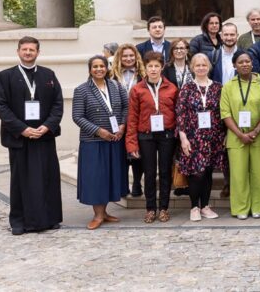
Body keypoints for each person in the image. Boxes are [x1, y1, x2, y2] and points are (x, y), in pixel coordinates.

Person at [0, 36, 64, 235]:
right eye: (24, 49)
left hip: (44, 136)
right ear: (18, 51)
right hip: (19, 138)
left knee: (47, 178)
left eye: (31, 50)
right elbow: (2, 107)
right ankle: (20, 221)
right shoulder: (5, 77)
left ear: (38, 52)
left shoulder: (48, 75)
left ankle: (49, 218)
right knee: (21, 181)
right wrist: (22, 129)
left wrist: (47, 126)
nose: (28, 53)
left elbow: (58, 104)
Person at [72, 54, 128, 229]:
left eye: (102, 66)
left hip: (114, 139)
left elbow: (126, 106)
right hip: (93, 142)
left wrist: (122, 125)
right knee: (96, 178)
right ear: (90, 70)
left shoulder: (116, 86)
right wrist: (98, 131)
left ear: (107, 68)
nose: (99, 69)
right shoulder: (81, 90)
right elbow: (77, 117)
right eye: (95, 67)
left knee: (109, 178)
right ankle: (97, 215)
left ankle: (104, 212)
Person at [126, 52, 179, 223]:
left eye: (157, 66)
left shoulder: (171, 88)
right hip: (146, 135)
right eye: (150, 66)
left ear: (162, 67)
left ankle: (164, 207)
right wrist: (131, 144)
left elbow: (178, 114)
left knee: (165, 172)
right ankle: (150, 208)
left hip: (166, 135)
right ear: (145, 68)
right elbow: (132, 117)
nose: (153, 69)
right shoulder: (137, 89)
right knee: (149, 173)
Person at [220, 50, 260, 219]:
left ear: (252, 63)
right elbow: (225, 112)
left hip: (259, 134)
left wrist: (256, 130)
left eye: (247, 61)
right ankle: (241, 208)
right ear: (234, 65)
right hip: (236, 136)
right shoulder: (228, 86)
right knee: (238, 174)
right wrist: (239, 134)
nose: (244, 64)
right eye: (240, 62)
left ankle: (259, 206)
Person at [176, 53, 225, 221]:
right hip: (193, 136)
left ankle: (205, 205)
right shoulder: (187, 88)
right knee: (196, 172)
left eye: (204, 65)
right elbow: (181, 114)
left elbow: (222, 112)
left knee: (208, 172)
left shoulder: (218, 87)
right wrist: (183, 138)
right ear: (193, 68)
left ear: (208, 67)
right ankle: (194, 207)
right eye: (198, 65)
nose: (201, 68)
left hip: (213, 137)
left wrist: (223, 135)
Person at [111, 43, 144, 197]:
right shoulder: (112, 76)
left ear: (136, 56)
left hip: (138, 118)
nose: (129, 58)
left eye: (131, 55)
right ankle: (123, 185)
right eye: (125, 56)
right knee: (120, 155)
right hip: (118, 119)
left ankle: (137, 182)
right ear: (119, 58)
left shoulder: (142, 75)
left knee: (137, 153)